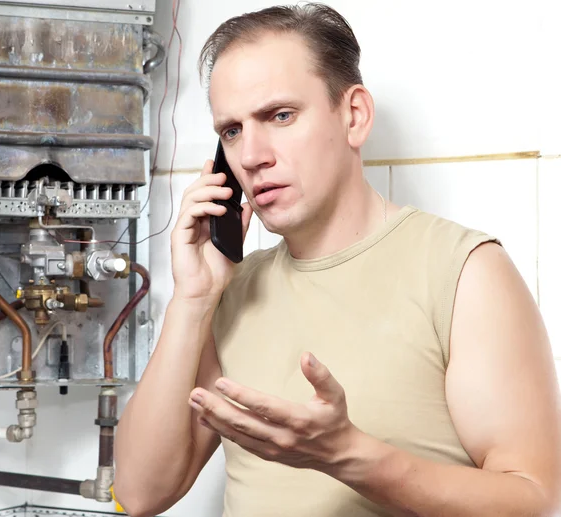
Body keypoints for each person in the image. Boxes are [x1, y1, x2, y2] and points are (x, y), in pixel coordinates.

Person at [113, 4, 561, 516]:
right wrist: (192, 300)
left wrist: (348, 456)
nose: (253, 154)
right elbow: (139, 493)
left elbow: (532, 500)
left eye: (279, 116)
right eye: (232, 131)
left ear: (353, 116)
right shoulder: (228, 291)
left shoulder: (465, 272)